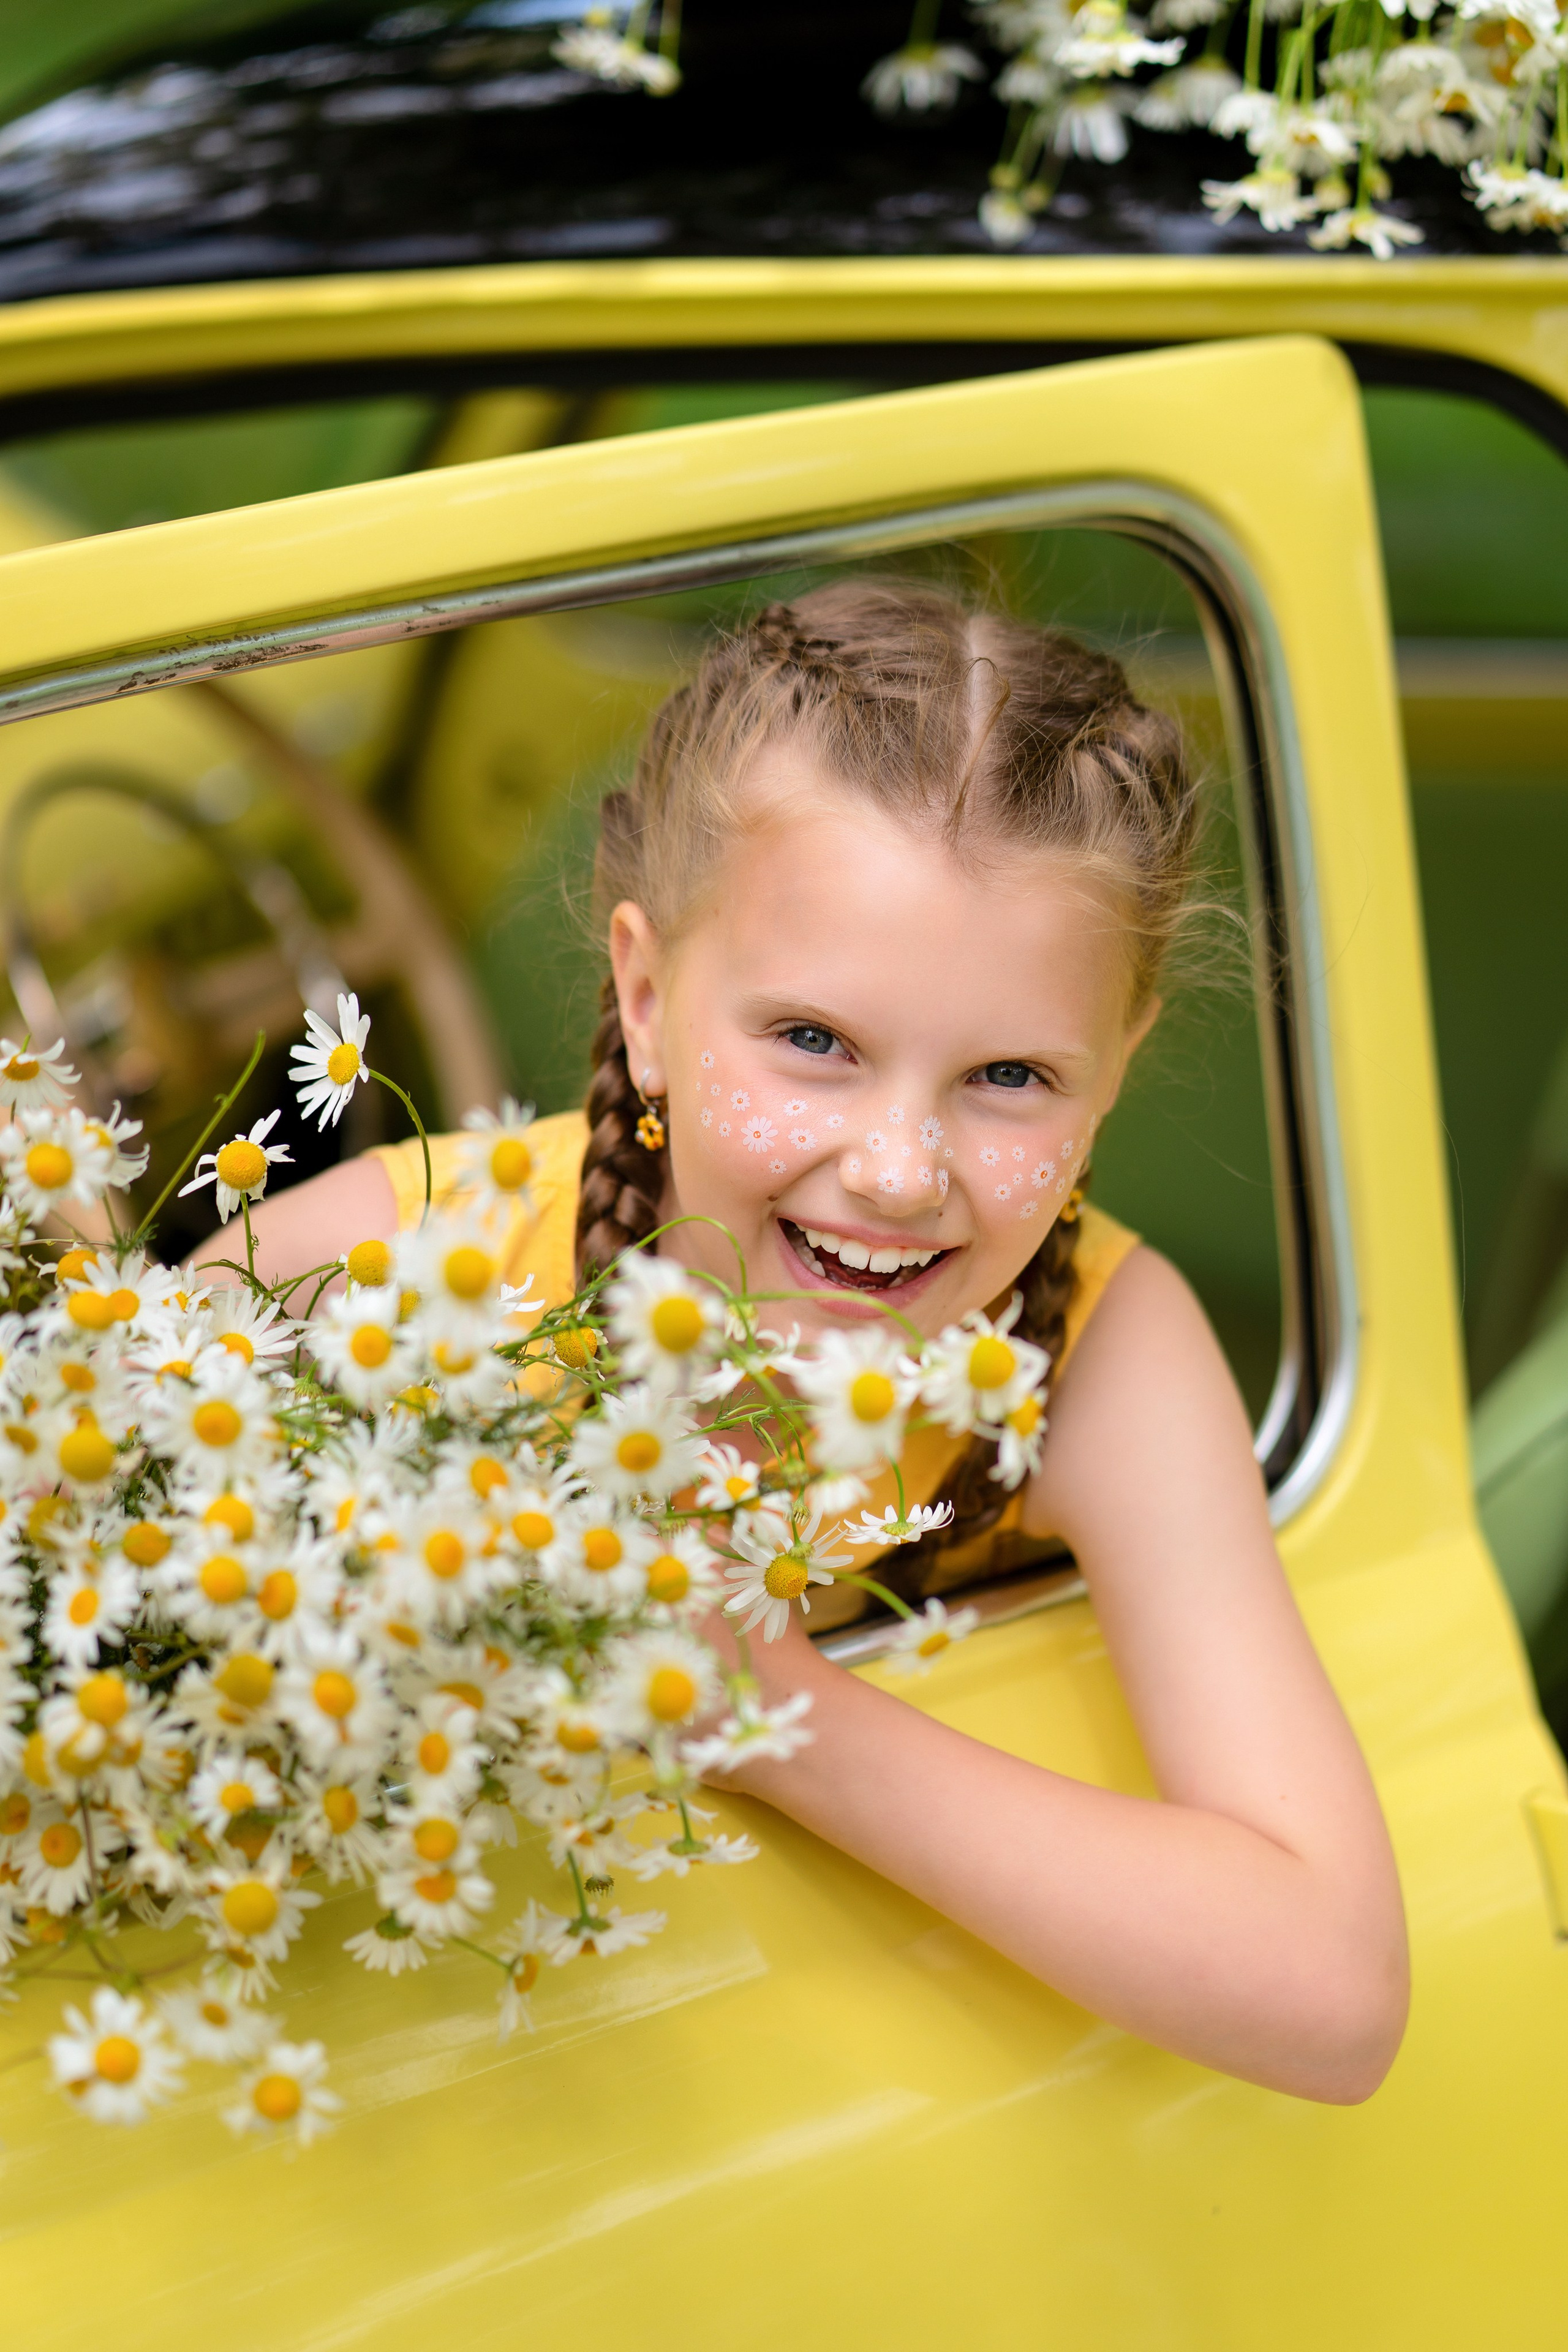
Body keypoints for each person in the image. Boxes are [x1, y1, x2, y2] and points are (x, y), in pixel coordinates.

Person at [231, 581, 1409, 2104]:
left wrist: (762, 1711)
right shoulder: (379, 1267)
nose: (900, 1169)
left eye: (1007, 1075)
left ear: (1113, 1067)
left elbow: (1328, 1990)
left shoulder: (1100, 1355)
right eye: (813, 1044)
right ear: (646, 998)